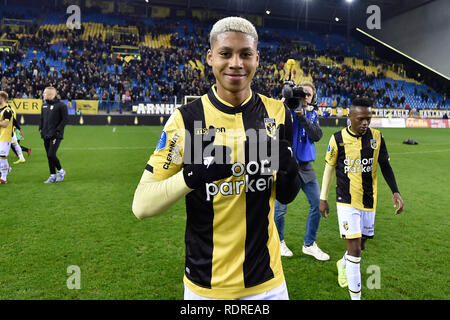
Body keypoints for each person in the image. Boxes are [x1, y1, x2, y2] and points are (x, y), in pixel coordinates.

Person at [132, 16, 301, 300]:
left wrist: (290, 173)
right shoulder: (187, 120)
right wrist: (191, 176)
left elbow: (285, 195)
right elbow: (141, 205)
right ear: (210, 58)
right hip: (206, 288)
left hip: (268, 284)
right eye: (225, 53)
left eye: (245, 54)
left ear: (257, 59)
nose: (236, 63)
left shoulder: (277, 113)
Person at [319, 97, 404, 300]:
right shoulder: (337, 139)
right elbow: (329, 168)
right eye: (361, 119)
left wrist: (396, 191)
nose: (365, 122)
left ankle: (343, 262)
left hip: (369, 200)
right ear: (350, 117)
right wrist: (323, 198)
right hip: (346, 200)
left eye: (368, 118)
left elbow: (385, 165)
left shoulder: (377, 137)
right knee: (355, 250)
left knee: (362, 245)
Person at [274, 81, 329, 261]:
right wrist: (285, 102)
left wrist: (302, 117)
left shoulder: (313, 115)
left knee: (316, 203)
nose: (305, 98)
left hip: (305, 166)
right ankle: (278, 242)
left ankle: (309, 244)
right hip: (287, 165)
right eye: (302, 94)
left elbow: (317, 136)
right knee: (280, 208)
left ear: (313, 97)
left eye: (309, 95)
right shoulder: (285, 110)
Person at [39, 87, 68, 184]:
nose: (43, 95)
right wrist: (40, 129)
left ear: (51, 94)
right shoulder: (44, 106)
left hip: (56, 135)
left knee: (51, 154)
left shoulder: (61, 105)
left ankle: (61, 171)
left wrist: (58, 130)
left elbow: (65, 120)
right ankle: (52, 175)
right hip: (46, 134)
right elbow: (42, 119)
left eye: (44, 93)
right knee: (49, 156)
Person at [0, 91, 14, 184]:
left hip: (5, 136)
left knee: (2, 157)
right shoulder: (1, 109)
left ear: (2, 98)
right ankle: (7, 169)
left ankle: (4, 177)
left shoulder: (8, 110)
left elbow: (5, 124)